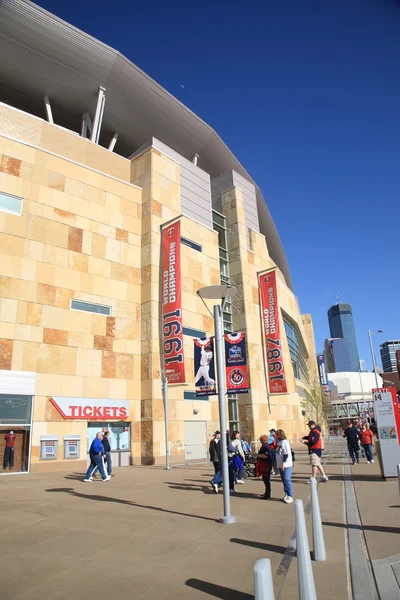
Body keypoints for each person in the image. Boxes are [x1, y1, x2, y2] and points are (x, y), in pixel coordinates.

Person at [275, 429, 294, 504]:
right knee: (284, 480)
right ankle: (286, 494)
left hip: (286, 464)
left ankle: (290, 495)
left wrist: (283, 463)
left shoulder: (285, 442)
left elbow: (286, 454)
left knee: (287, 479)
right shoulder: (279, 443)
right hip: (280, 464)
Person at [255, 435, 272, 499]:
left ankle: (267, 495)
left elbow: (266, 455)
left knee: (266, 480)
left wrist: (257, 455)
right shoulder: (265, 446)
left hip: (265, 465)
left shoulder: (265, 447)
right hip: (265, 464)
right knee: (265, 480)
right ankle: (266, 493)